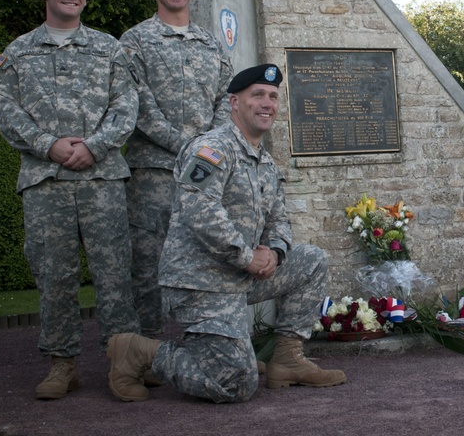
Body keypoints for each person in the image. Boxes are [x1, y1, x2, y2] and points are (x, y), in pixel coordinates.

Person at [107, 64, 345, 404]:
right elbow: (200, 211)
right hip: (201, 281)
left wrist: (275, 254)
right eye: (257, 95)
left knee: (311, 261)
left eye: (273, 97)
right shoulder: (211, 149)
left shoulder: (265, 162)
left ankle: (288, 360)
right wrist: (247, 257)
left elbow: (279, 219)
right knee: (235, 384)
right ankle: (138, 350)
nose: (267, 103)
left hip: (241, 275)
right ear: (235, 102)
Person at [0, 0, 140, 399]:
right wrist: (47, 144)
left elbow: (126, 105)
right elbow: (5, 109)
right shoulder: (17, 52)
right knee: (54, 276)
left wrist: (94, 146)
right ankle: (62, 365)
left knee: (115, 274)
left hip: (103, 177)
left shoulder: (109, 48)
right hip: (45, 180)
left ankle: (123, 366)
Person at [119, 0, 233, 335]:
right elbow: (137, 103)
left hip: (202, 173)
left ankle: (201, 339)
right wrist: (187, 145)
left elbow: (225, 97)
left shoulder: (210, 44)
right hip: (154, 172)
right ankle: (146, 348)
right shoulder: (134, 41)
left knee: (204, 256)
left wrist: (208, 144)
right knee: (149, 262)